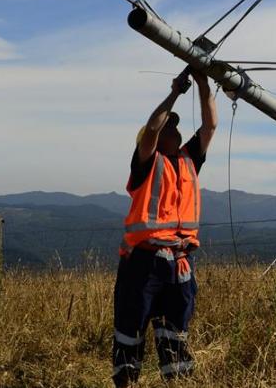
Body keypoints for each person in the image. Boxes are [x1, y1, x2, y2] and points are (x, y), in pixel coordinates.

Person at [112, 68, 217, 387]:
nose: (174, 132)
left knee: (175, 335)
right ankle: (127, 381)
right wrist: (174, 93)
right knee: (130, 333)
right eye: (168, 128)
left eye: (175, 128)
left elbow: (210, 125)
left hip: (179, 264)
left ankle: (177, 381)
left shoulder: (188, 160)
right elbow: (152, 129)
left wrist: (202, 84)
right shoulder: (146, 161)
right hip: (143, 264)